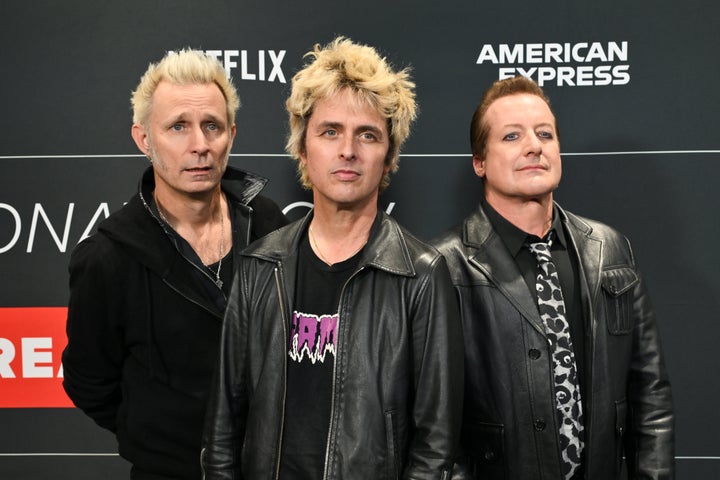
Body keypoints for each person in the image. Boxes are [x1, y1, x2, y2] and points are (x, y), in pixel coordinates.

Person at [201, 37, 464, 479]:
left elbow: (436, 447)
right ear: (303, 148)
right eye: (330, 131)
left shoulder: (420, 275)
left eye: (367, 135)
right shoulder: (259, 266)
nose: (348, 150)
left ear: (389, 156)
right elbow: (223, 428)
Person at [432, 75, 674, 479]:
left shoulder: (610, 249)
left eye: (545, 133)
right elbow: (434, 428)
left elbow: (650, 395)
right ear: (479, 162)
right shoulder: (443, 266)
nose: (534, 146)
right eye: (512, 137)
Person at [61, 48, 288, 479]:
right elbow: (88, 383)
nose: (199, 145)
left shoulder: (270, 224)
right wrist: (158, 439)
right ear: (144, 139)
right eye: (178, 127)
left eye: (212, 127)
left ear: (231, 135)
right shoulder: (109, 257)